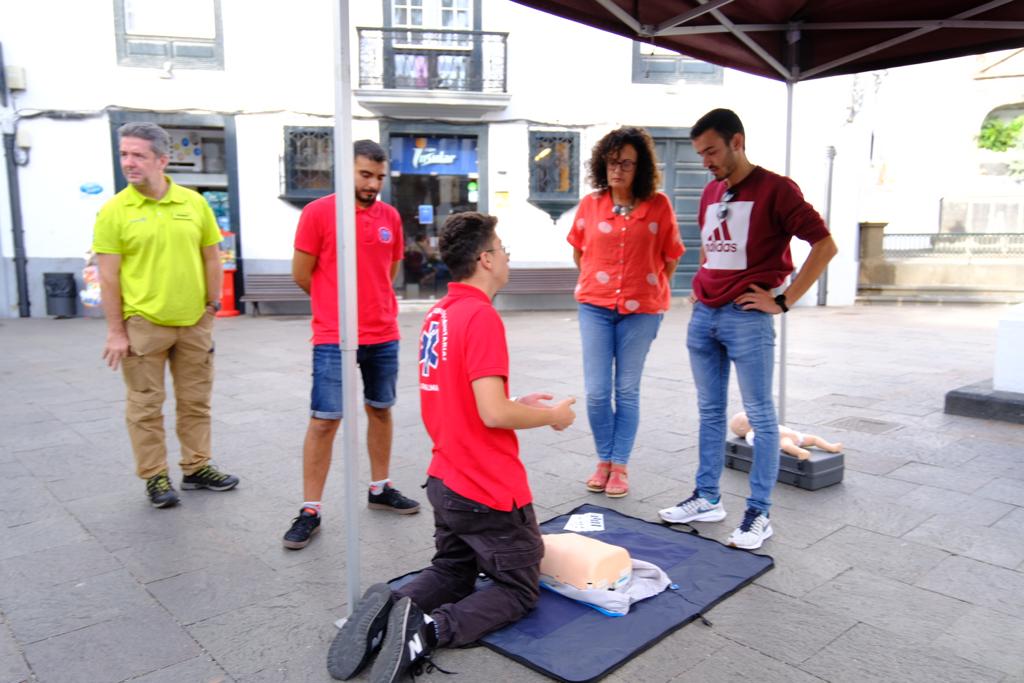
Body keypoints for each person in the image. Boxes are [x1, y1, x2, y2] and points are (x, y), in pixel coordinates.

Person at [326, 211, 576, 683]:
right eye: (502, 249)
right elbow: (493, 414)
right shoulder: (480, 316)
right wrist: (551, 417)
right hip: (488, 489)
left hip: (447, 478)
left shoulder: (439, 312)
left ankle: (392, 609)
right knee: (519, 590)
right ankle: (426, 629)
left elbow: (467, 396)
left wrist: (515, 401)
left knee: (454, 570)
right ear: (485, 259)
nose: (506, 257)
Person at [658, 108, 838, 550]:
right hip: (706, 315)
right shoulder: (709, 192)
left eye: (712, 151)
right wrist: (700, 286)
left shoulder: (777, 189)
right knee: (709, 411)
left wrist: (783, 300)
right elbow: (709, 248)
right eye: (700, 153)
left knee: (760, 415)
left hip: (748, 316)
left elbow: (825, 244)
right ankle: (707, 498)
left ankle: (759, 513)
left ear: (738, 141)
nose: (706, 162)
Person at [282, 139, 420, 551]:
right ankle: (310, 509)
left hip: (383, 333)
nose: (372, 183)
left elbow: (390, 270)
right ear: (346, 170)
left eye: (379, 176)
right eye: (365, 174)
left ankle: (380, 488)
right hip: (333, 335)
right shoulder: (318, 213)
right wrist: (334, 305)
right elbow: (301, 274)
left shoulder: (390, 217)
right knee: (324, 421)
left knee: (380, 410)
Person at [93, 122, 239, 508]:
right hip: (143, 324)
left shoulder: (194, 204)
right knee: (144, 407)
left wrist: (211, 305)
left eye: (138, 155)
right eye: (124, 154)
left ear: (162, 160)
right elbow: (108, 277)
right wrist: (115, 332)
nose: (129, 162)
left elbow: (212, 255)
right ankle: (155, 477)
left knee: (196, 402)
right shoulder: (114, 211)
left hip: (194, 322)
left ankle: (196, 467)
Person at [567, 127, 684, 498]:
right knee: (598, 392)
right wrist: (597, 282)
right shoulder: (591, 204)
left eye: (627, 164)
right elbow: (579, 251)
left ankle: (619, 465)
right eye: (612, 162)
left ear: (641, 167)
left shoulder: (659, 205)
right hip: (595, 307)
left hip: (642, 310)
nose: (617, 170)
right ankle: (603, 460)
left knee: (627, 389)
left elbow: (671, 256)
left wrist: (648, 286)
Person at [729, 412, 843, 460]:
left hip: (796, 435)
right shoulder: (751, 433)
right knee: (787, 446)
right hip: (784, 439)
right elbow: (755, 442)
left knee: (814, 439)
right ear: (742, 428)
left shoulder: (762, 424)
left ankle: (831, 447)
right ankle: (800, 452)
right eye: (745, 417)